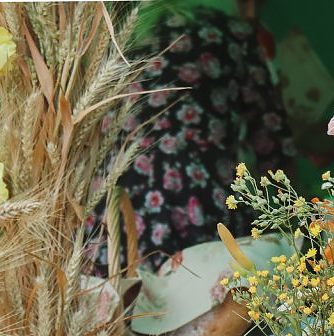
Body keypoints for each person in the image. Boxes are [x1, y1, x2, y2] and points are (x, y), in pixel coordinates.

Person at [92, 0, 296, 272]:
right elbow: (274, 146)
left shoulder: (115, 40)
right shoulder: (228, 32)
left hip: (111, 220)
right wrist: (295, 226)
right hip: (199, 211)